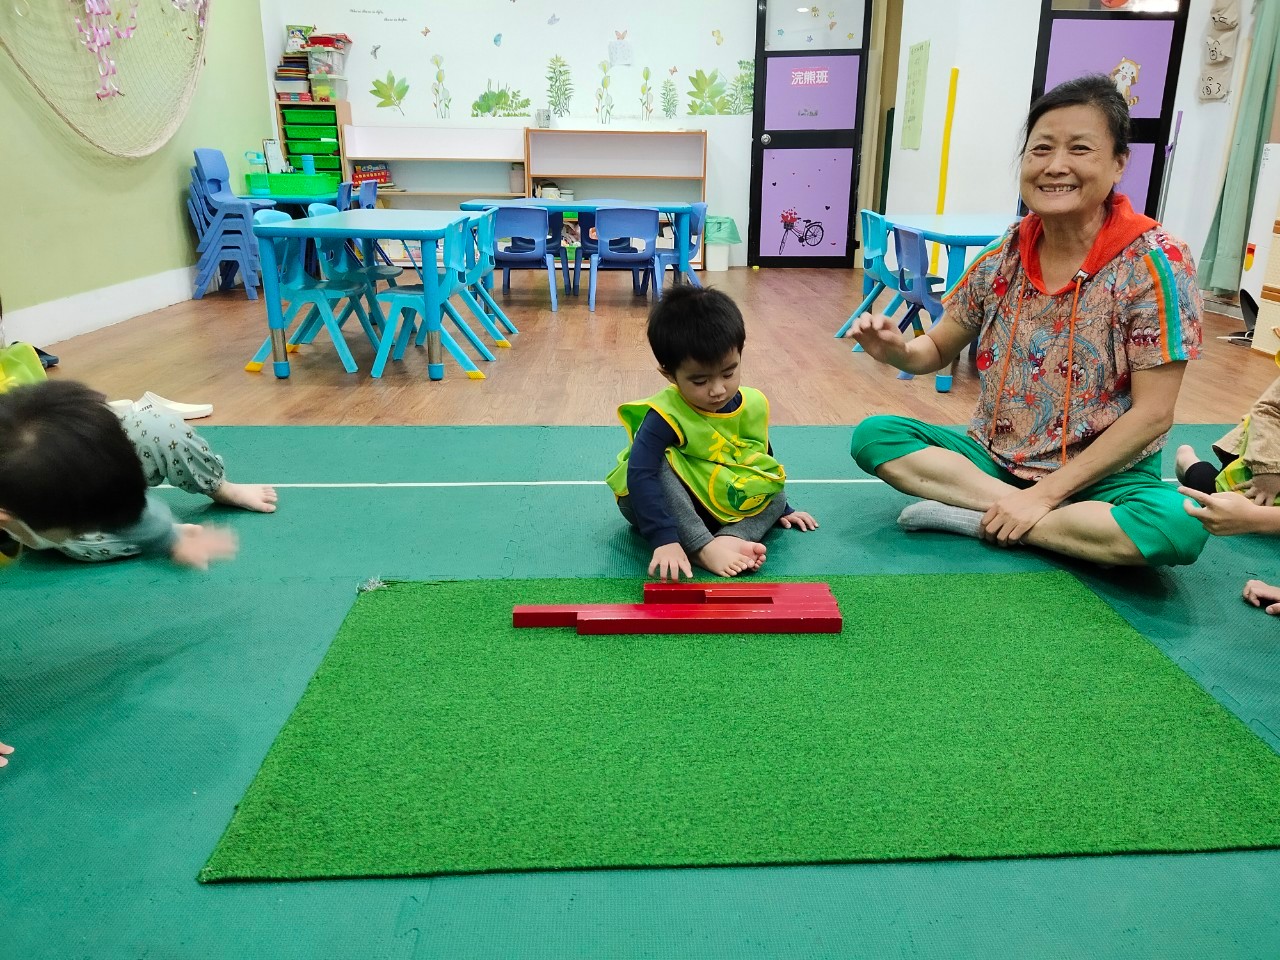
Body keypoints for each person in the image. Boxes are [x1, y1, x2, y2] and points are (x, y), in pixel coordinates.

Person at [848, 74, 1206, 567]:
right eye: (1040, 149)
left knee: (1178, 527)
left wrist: (1041, 496)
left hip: (1106, 478)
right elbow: (931, 350)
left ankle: (983, 516)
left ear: (1119, 162)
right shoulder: (1005, 255)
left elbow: (1153, 414)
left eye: (1080, 149)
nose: (1055, 166)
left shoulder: (1155, 262)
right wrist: (895, 351)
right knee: (875, 436)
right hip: (994, 461)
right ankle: (1026, 517)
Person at [606, 285, 818, 580]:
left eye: (729, 373)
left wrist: (783, 508)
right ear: (670, 374)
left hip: (714, 501)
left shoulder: (752, 403)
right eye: (700, 380)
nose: (718, 389)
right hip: (655, 503)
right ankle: (702, 548)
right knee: (659, 463)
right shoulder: (664, 414)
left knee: (777, 493)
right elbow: (640, 474)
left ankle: (730, 538)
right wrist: (664, 539)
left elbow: (758, 461)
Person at [0, 379, 268, 569]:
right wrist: (167, 538)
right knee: (85, 542)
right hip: (34, 496)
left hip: (46, 468)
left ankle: (220, 486)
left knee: (155, 427)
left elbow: (116, 500)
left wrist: (167, 540)